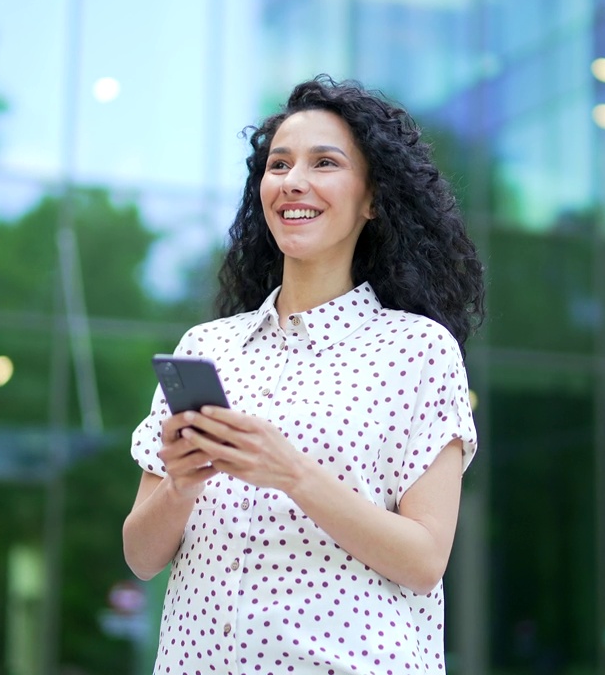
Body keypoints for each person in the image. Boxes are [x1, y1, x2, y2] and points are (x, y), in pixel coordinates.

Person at [122, 75, 486, 674]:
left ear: (372, 198)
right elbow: (140, 555)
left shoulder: (417, 350)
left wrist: (292, 473)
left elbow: (424, 559)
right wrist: (182, 482)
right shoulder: (206, 347)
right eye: (279, 164)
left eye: (324, 163)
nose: (293, 181)